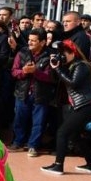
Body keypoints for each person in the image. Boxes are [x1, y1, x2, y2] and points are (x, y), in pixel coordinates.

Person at [41, 40, 91, 175]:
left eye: (64, 54)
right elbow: (56, 80)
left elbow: (73, 83)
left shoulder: (81, 66)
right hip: (82, 105)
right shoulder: (71, 65)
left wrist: (58, 68)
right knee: (74, 135)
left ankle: (58, 165)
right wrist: (55, 67)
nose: (62, 56)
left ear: (73, 53)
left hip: (87, 105)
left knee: (62, 132)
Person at [10, 29, 54, 157]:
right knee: (19, 119)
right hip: (22, 92)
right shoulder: (22, 52)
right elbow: (14, 71)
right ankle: (18, 142)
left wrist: (35, 71)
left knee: (38, 122)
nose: (30, 43)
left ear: (43, 42)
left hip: (41, 93)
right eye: (29, 40)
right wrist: (24, 72)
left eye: (34, 41)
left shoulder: (50, 55)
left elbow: (51, 76)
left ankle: (33, 145)